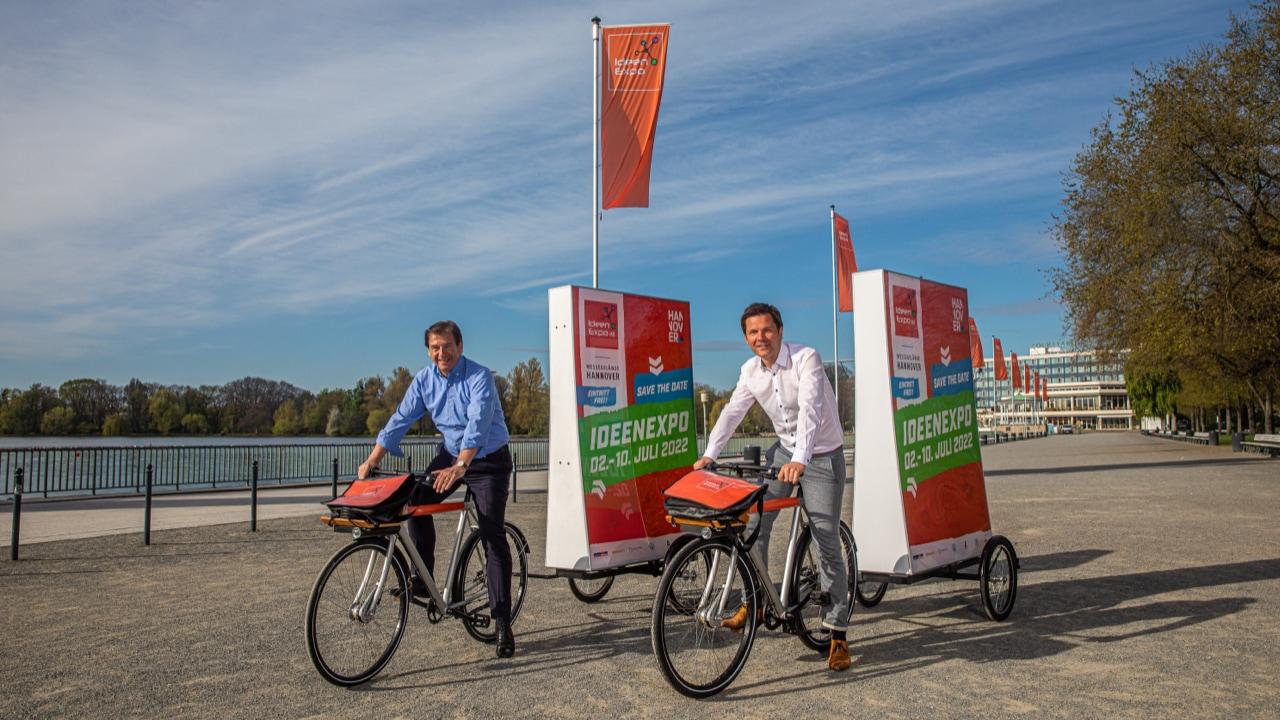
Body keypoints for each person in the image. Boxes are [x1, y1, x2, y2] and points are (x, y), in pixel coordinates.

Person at [694, 302, 852, 671]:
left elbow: (811, 410)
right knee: (754, 523)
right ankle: (757, 602)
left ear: (780, 331)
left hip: (822, 455)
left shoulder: (806, 359)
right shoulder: (750, 371)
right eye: (752, 332)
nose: (760, 337)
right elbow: (732, 412)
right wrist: (710, 454)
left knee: (826, 538)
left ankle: (838, 630)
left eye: (766, 330)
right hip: (784, 452)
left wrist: (801, 459)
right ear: (746, 338)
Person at [358, 320, 516, 658]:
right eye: (434, 347)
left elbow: (478, 424)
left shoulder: (479, 377)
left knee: (492, 535)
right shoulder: (424, 380)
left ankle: (502, 620)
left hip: (487, 459)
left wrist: (461, 467)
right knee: (414, 500)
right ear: (428, 350)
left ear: (460, 346)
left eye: (446, 346)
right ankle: (423, 577)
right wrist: (372, 459)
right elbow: (400, 418)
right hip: (451, 454)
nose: (441, 353)